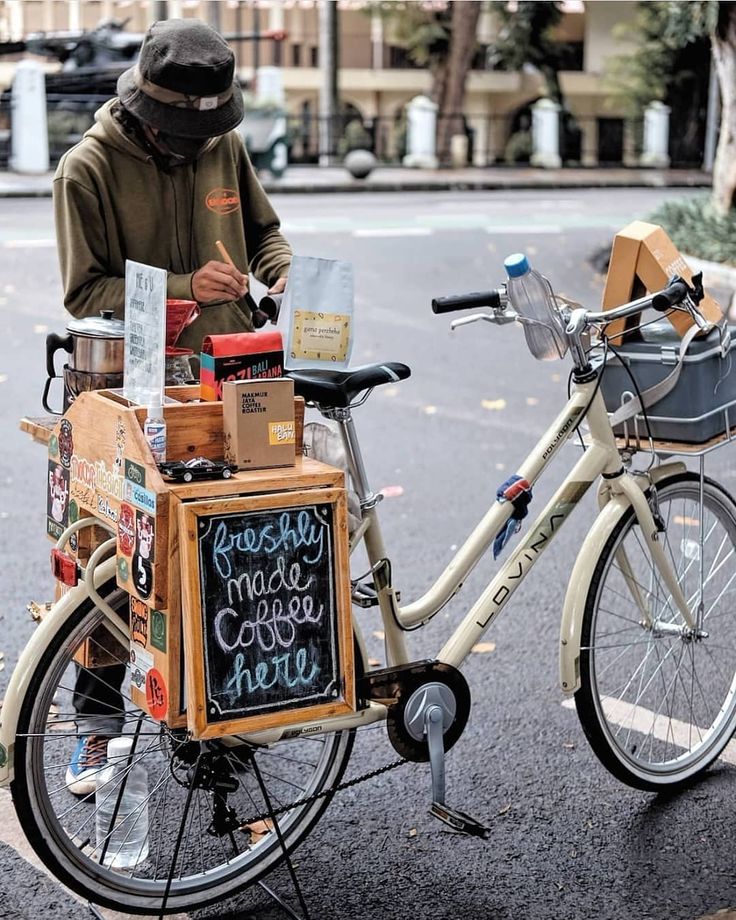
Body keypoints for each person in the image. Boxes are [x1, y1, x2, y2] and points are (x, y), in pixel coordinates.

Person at [54, 17, 293, 795]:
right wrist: (188, 284)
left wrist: (282, 272)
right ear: (148, 115)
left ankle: (223, 723)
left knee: (240, 552)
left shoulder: (220, 143)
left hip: (234, 375)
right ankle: (95, 731)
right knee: (120, 558)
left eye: (205, 132)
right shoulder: (86, 169)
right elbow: (86, 294)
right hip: (132, 388)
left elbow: (264, 233)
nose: (194, 146)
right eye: (178, 134)